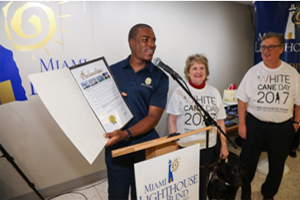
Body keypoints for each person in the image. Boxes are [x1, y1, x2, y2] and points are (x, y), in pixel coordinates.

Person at [103, 24, 169, 199]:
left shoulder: (160, 77)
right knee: (117, 195)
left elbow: (153, 117)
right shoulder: (112, 71)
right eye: (145, 39)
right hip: (117, 147)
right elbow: (100, 106)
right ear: (132, 42)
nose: (152, 44)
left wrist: (126, 134)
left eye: (154, 40)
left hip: (146, 146)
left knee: (144, 195)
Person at [236, 32, 300, 200]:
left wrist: (296, 122)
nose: (266, 51)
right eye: (263, 47)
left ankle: (268, 193)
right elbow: (242, 100)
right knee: (247, 161)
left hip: (282, 128)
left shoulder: (292, 73)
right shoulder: (253, 72)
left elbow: (299, 101)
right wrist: (242, 124)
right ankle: (246, 190)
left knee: (277, 165)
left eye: (271, 47)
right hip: (255, 125)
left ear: (281, 49)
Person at [166, 53, 229, 200]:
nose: (198, 71)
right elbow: (172, 120)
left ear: (206, 72)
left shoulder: (214, 92)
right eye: (194, 68)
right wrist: (174, 144)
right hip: (185, 146)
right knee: (184, 182)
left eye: (202, 68)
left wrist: (224, 145)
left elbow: (220, 122)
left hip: (207, 147)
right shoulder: (180, 92)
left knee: (202, 182)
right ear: (188, 71)